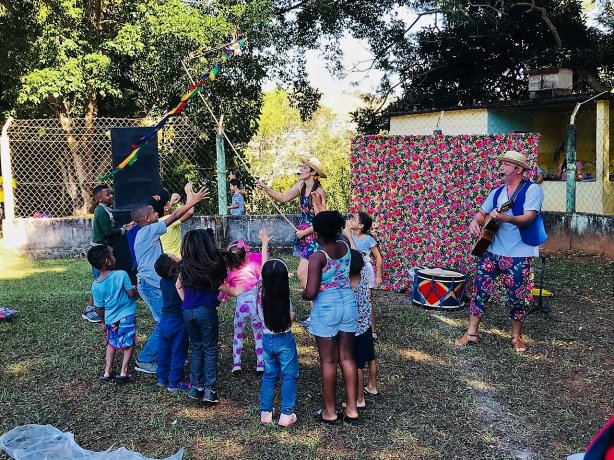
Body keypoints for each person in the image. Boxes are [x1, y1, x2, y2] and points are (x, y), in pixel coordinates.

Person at [456, 150, 545, 353]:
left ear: (518, 169)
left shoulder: (532, 190)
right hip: (492, 250)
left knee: (516, 296)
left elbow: (528, 218)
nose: (501, 168)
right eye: (502, 164)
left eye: (505, 164)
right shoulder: (497, 191)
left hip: (519, 253)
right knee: (479, 291)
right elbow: (481, 213)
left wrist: (506, 218)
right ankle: (471, 333)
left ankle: (516, 337)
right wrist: (475, 222)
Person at [130, 183, 208, 375]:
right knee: (165, 321)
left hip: (153, 284)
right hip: (150, 285)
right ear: (148, 218)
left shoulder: (145, 232)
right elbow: (174, 216)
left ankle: (173, 351)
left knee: (173, 317)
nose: (157, 213)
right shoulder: (148, 230)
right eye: (153, 213)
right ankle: (145, 359)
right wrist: (193, 201)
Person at [302, 210, 359, 425]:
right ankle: (352, 409)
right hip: (348, 303)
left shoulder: (318, 257)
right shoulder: (345, 246)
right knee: (347, 357)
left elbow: (311, 292)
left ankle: (330, 411)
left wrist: (302, 293)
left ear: (316, 234)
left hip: (327, 308)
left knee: (328, 360)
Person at [255, 156, 327, 290]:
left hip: (315, 237)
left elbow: (321, 221)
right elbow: (283, 197)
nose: (300, 169)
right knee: (308, 276)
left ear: (312, 173)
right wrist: (265, 188)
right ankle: (315, 309)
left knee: (302, 274)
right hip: (304, 236)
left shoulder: (317, 192)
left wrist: (304, 232)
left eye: (304, 167)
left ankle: (317, 306)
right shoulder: (301, 186)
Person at [176, 228, 230, 404]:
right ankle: (209, 390)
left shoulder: (185, 265)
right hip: (206, 311)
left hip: (187, 311)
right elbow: (223, 286)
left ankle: (195, 387)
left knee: (197, 348)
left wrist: (187, 302)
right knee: (210, 348)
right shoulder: (212, 265)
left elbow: (178, 285)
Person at [256, 229, 299, 427]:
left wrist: (264, 243)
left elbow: (265, 267)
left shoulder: (260, 289)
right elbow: (291, 317)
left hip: (266, 339)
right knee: (288, 376)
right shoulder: (284, 297)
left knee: (270, 375)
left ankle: (266, 412)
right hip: (284, 340)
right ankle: (285, 415)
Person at [83, 184, 134, 324]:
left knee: (101, 279)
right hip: (100, 249)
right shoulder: (101, 211)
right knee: (98, 279)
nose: (111, 196)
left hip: (103, 248)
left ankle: (98, 306)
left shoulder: (105, 209)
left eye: (111, 193)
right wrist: (124, 230)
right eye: (108, 194)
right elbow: (108, 232)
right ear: (99, 198)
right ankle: (89, 309)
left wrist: (124, 227)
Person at [87, 244, 137, 383]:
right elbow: (131, 293)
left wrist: (103, 321)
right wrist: (135, 288)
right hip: (126, 316)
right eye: (112, 256)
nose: (115, 258)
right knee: (128, 343)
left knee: (111, 343)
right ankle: (123, 372)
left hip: (110, 319)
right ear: (108, 261)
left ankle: (107, 371)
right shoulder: (121, 274)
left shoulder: (96, 285)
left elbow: (99, 307)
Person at [222, 240, 265, 375]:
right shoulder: (254, 267)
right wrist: (264, 244)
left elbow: (226, 290)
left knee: (238, 334)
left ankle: (236, 364)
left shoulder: (231, 272)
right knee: (258, 335)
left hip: (241, 308)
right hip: (256, 308)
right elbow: (264, 267)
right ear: (246, 254)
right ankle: (260, 364)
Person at [154, 253, 189, 392]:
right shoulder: (180, 280)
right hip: (178, 320)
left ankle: (162, 378)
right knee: (178, 351)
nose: (175, 254)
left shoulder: (163, 281)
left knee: (164, 350)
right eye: (172, 256)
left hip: (165, 319)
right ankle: (174, 382)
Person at [348, 249, 377, 408]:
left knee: (357, 366)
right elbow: (356, 258)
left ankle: (359, 400)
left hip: (355, 330)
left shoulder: (347, 285)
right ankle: (373, 386)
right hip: (366, 327)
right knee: (370, 357)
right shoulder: (365, 275)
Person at [158, 186, 196, 258]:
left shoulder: (157, 222)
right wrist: (189, 192)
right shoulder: (168, 219)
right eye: (168, 201)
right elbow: (190, 212)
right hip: (177, 258)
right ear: (165, 208)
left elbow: (166, 212)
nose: (170, 201)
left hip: (168, 258)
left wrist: (171, 203)